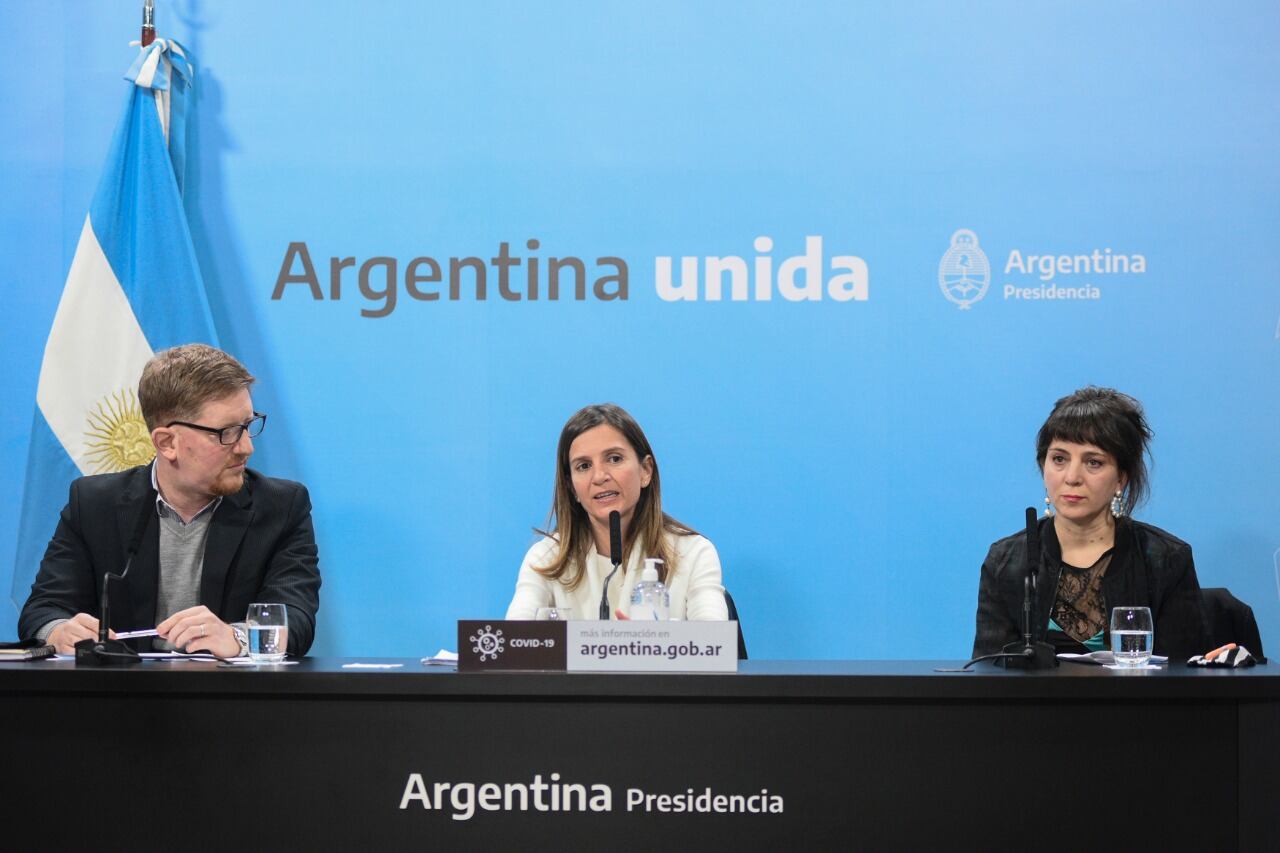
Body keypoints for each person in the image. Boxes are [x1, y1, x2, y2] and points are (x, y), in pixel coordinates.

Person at [19, 344, 321, 657]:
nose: (246, 447)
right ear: (167, 443)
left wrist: (237, 637)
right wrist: (59, 630)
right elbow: (43, 610)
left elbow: (296, 619)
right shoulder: (95, 504)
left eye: (247, 425)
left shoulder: (281, 507)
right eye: (227, 432)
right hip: (117, 697)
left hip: (231, 698)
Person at [972, 387, 1206, 661]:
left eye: (1093, 462)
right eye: (1059, 459)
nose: (1072, 477)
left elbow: (1185, 682)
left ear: (1121, 478)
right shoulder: (1007, 562)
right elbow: (988, 677)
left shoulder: (1165, 560)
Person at [506, 403, 728, 621]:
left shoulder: (693, 553)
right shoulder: (546, 559)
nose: (599, 476)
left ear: (646, 471)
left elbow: (715, 645)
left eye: (614, 459)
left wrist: (651, 647)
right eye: (583, 466)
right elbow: (515, 643)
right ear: (572, 487)